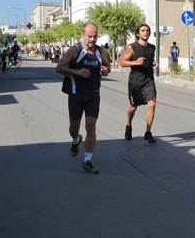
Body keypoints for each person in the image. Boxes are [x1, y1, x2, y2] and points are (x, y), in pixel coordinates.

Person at [56, 22, 111, 174]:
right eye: (89, 36)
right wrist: (77, 72)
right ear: (82, 35)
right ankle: (75, 140)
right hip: (76, 93)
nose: (92, 39)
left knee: (91, 125)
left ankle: (87, 160)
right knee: (74, 128)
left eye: (94, 36)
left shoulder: (101, 51)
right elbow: (59, 68)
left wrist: (106, 70)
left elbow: (107, 66)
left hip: (93, 94)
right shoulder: (75, 50)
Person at [120, 24, 159, 143]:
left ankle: (148, 132)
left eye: (147, 31)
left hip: (148, 81)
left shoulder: (152, 47)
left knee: (151, 104)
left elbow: (150, 61)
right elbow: (122, 62)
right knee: (133, 108)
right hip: (135, 82)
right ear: (138, 34)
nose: (145, 32)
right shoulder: (132, 47)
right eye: (143, 31)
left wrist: (154, 65)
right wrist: (135, 62)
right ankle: (128, 126)